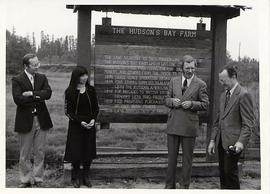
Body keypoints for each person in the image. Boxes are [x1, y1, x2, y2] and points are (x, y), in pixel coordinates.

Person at [164, 55, 209, 189]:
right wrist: (172, 101)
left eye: (192, 68)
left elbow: (205, 104)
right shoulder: (173, 81)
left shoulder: (201, 84)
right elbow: (166, 99)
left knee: (187, 160)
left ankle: (184, 187)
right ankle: (169, 186)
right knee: (171, 159)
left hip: (189, 127)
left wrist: (192, 104)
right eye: (187, 68)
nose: (190, 70)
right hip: (173, 126)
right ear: (182, 68)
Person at [208, 65, 254, 189]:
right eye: (220, 80)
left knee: (230, 174)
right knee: (223, 174)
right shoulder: (223, 96)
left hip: (234, 144)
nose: (221, 83)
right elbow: (218, 121)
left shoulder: (244, 95)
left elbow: (248, 124)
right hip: (221, 143)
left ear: (233, 77)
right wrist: (212, 140)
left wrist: (240, 143)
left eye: (223, 80)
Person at [12, 53, 53, 188]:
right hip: (25, 120)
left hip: (42, 119)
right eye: (34, 65)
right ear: (26, 66)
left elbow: (48, 94)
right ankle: (25, 180)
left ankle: (38, 179)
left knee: (40, 151)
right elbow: (18, 99)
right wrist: (38, 97)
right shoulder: (17, 79)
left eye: (38, 63)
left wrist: (31, 94)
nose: (37, 67)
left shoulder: (42, 77)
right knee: (25, 152)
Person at [64, 66, 99, 188]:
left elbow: (96, 108)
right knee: (76, 152)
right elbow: (68, 112)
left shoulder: (91, 90)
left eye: (86, 75)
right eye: (82, 75)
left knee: (88, 151)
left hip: (90, 125)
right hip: (76, 126)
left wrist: (93, 120)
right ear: (76, 77)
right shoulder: (69, 92)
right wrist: (80, 122)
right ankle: (75, 177)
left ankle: (86, 176)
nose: (85, 77)